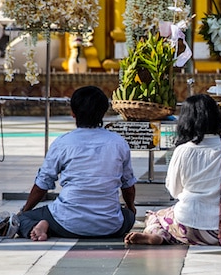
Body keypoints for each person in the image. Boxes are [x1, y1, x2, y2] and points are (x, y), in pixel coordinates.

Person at [124, 94, 221, 246]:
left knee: (155, 216)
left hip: (188, 225)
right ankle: (167, 236)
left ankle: (160, 234)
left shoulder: (183, 150)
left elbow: (173, 190)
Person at [15, 86, 137, 241]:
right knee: (128, 216)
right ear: (104, 112)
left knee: (20, 220)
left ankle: (41, 225)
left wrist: (25, 211)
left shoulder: (62, 143)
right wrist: (130, 208)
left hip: (67, 222)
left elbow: (42, 185)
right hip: (110, 226)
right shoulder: (119, 143)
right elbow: (128, 186)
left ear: (73, 113)